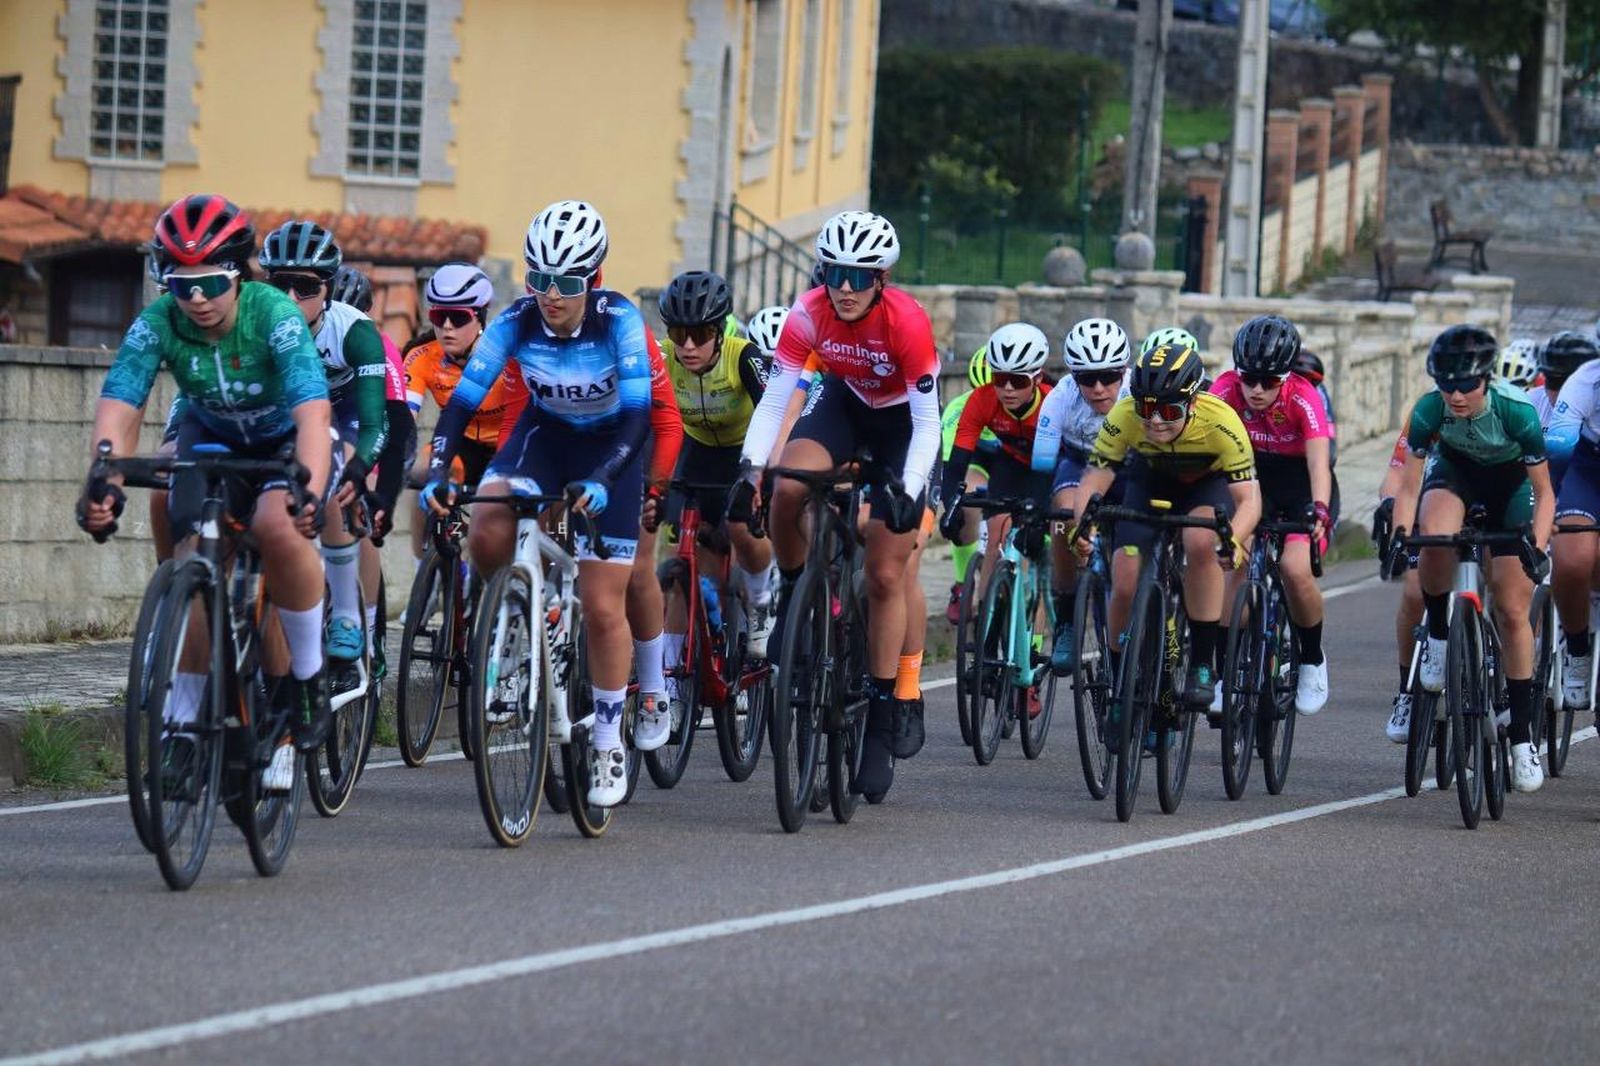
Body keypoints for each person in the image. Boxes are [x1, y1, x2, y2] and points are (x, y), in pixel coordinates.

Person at [79, 194, 334, 791]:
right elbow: (123, 401)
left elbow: (312, 412)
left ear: (239, 272)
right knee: (192, 553)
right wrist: (104, 476)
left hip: (278, 441)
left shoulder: (272, 312)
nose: (195, 299)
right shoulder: (157, 321)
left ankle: (307, 680)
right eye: (180, 284)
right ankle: (184, 728)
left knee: (277, 527)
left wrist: (310, 492)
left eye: (211, 282)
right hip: (211, 432)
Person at [422, 200, 652, 807]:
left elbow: (637, 418)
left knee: (604, 605)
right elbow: (461, 403)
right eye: (539, 279)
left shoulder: (619, 320)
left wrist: (605, 478)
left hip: (613, 448)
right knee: (490, 522)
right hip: (545, 437)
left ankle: (606, 738)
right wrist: (440, 469)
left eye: (567, 283)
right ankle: (513, 624)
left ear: (593, 281)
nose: (551, 295)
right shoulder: (517, 321)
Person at [732, 209, 939, 802]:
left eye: (857, 275)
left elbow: (927, 425)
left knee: (881, 574)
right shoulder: (809, 311)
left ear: (881, 280)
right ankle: (798, 587)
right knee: (789, 483)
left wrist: (908, 486)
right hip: (846, 410)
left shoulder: (907, 323)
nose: (843, 287)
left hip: (903, 428)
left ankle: (881, 711)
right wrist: (752, 472)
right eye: (833, 273)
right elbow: (775, 403)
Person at [1070, 340, 1261, 713]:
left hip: (1205, 485)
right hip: (1150, 480)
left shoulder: (1221, 421)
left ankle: (1203, 664)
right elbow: (1094, 480)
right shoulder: (1124, 415)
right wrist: (1082, 528)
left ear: (1192, 402)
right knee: (1124, 573)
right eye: (1147, 408)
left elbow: (1250, 501)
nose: (1155, 420)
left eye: (1169, 410)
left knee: (1200, 541)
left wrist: (1233, 541)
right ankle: (1119, 671)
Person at [1403, 324, 1552, 792]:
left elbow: (1545, 493)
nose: (1456, 395)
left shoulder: (1517, 411)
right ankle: (1441, 638)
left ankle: (1523, 738)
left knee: (1510, 608)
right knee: (1435, 537)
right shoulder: (1429, 411)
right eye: (1446, 384)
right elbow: (1410, 487)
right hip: (1456, 475)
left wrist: (1538, 546)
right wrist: (1400, 535)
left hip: (1511, 485)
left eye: (1467, 385)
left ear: (1486, 379)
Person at [259, 221, 391, 693]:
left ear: (328, 290)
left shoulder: (354, 332)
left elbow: (377, 423)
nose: (292, 299)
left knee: (338, 480)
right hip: (292, 416)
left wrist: (363, 466)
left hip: (349, 416)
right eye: (280, 285)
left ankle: (352, 620)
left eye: (306, 287)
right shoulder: (253, 324)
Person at [1211, 315, 1333, 714]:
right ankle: (1225, 672)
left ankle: (1312, 659)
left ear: (1286, 377)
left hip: (1298, 485)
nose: (1257, 390)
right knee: (1233, 564)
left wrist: (1319, 510)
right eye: (1250, 379)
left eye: (1270, 381)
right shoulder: (1224, 390)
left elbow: (1319, 464)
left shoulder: (1303, 397)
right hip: (1250, 480)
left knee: (1296, 569)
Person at [657, 269, 775, 673]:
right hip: (697, 453)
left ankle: (761, 602)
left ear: (720, 330)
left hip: (744, 452)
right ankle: (669, 688)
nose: (688, 346)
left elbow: (774, 412)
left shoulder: (743, 357)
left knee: (743, 528)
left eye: (702, 334)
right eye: (678, 334)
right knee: (683, 572)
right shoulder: (662, 358)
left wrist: (762, 476)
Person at [1030, 316, 1130, 673]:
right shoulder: (1061, 397)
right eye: (1087, 378)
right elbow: (1043, 460)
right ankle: (1069, 618)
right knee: (1063, 515)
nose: (1099, 388)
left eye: (1109, 377)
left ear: (1125, 372)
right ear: (1074, 377)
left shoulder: (1138, 394)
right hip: (1080, 462)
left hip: (1128, 466)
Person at [403, 263, 508, 566]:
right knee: (420, 469)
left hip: (507, 443)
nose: (447, 326)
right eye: (439, 316)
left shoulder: (505, 353)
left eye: (459, 317)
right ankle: (425, 564)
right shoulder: (421, 355)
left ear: (480, 317)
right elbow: (404, 419)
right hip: (460, 444)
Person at [1541, 330, 1600, 720]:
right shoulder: (1584, 381)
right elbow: (1558, 451)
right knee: (1572, 557)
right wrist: (1548, 509)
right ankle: (1577, 649)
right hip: (1586, 466)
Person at [939, 348, 999, 623]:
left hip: (1016, 458)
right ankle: (964, 583)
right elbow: (952, 467)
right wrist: (952, 509)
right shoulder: (958, 409)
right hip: (976, 460)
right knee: (964, 502)